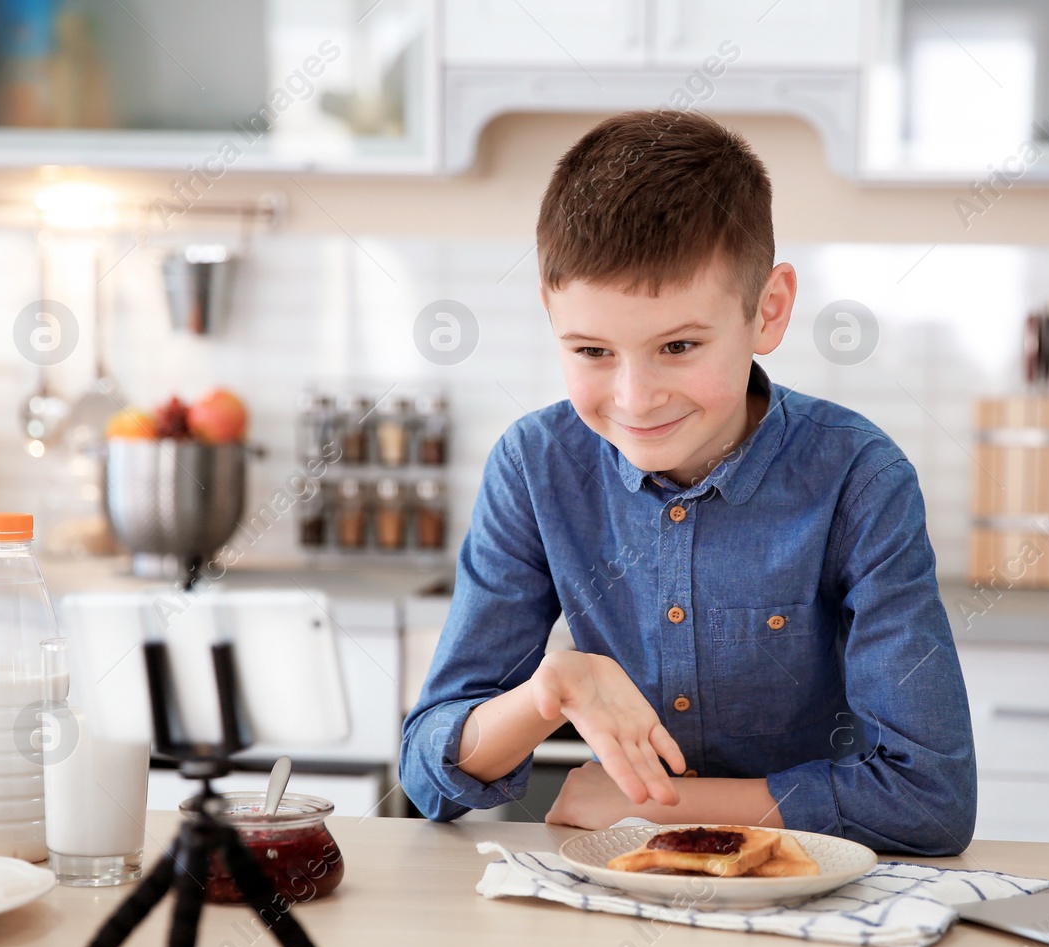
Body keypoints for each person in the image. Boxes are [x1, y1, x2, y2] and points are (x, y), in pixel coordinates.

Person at [398, 109, 975, 854]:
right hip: (616, 897)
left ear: (767, 311)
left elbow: (932, 799)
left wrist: (661, 808)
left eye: (677, 345)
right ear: (550, 315)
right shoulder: (536, 466)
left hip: (808, 907)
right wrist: (552, 691)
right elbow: (426, 768)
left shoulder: (859, 479)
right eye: (593, 350)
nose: (635, 398)